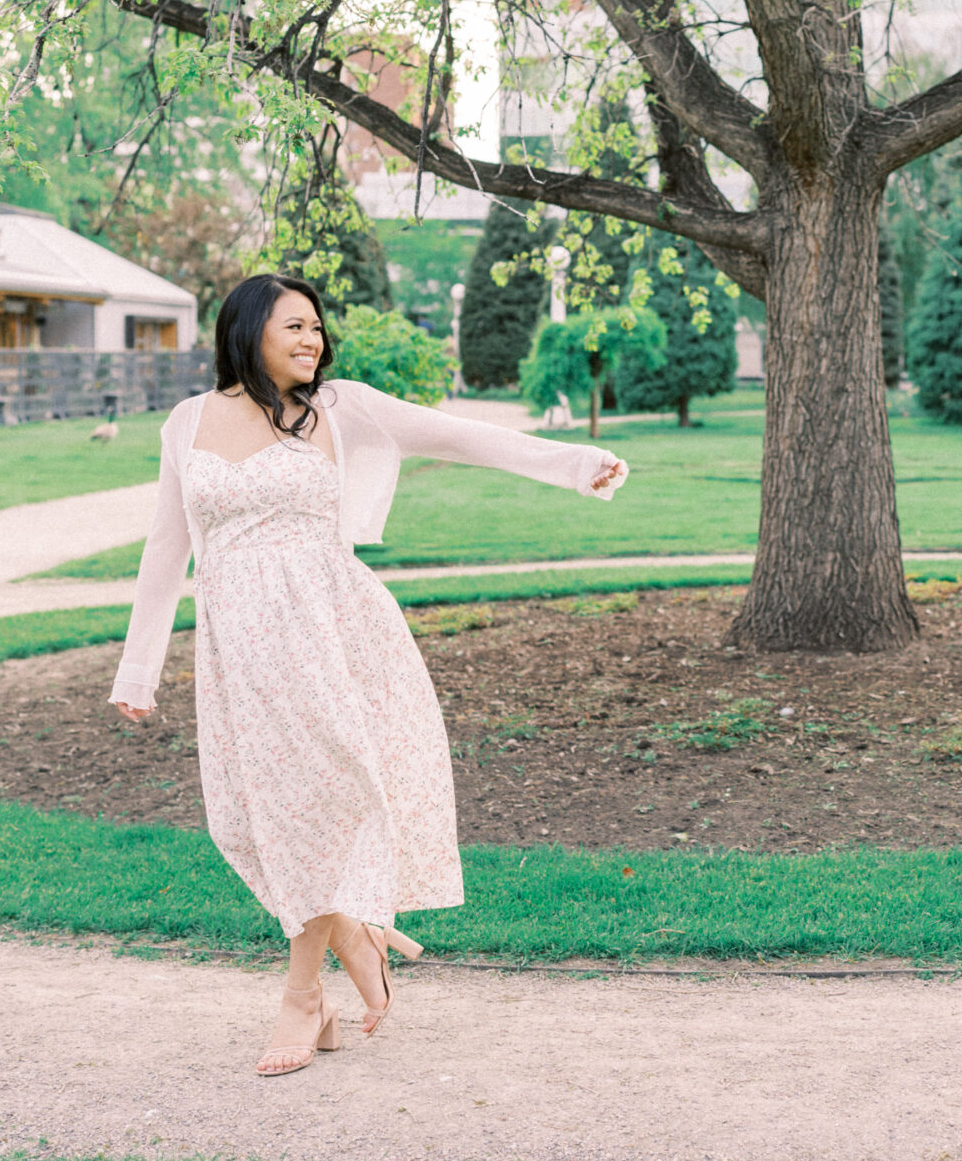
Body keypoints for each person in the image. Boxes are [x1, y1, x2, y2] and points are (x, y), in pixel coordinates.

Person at [109, 273, 626, 1076]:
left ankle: (302, 994)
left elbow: (460, 435)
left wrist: (575, 462)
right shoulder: (188, 423)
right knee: (253, 815)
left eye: (317, 327)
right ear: (244, 330)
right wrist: (139, 668)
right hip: (237, 646)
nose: (312, 340)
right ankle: (353, 927)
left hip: (330, 626)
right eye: (294, 326)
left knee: (322, 794)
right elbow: (163, 547)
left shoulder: (339, 409)